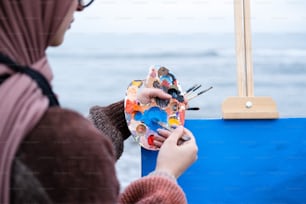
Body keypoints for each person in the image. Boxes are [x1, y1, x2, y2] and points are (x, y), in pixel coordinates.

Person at [0, 0, 198, 203]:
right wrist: (165, 176)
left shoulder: (13, 103)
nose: (79, 7)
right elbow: (66, 155)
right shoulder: (56, 140)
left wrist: (128, 114)